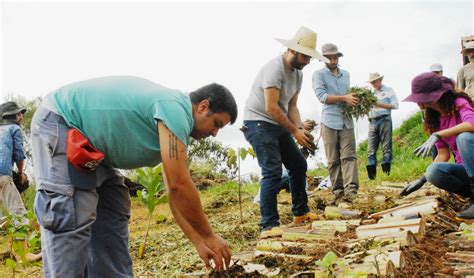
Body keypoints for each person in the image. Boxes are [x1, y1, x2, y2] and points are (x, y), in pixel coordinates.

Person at [30, 76, 237, 276]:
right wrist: (210, 235)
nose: (214, 133)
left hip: (96, 149)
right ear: (202, 106)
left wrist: (199, 242)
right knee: (70, 215)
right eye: (217, 124)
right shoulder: (176, 109)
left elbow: (173, 194)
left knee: (112, 208)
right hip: (63, 123)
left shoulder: (176, 127)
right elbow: (179, 186)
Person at [242, 26, 326, 239]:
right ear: (293, 51)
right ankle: (268, 225)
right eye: (305, 57)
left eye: (310, 58)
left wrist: (299, 130)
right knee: (272, 171)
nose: (307, 62)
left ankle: (300, 212)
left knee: (298, 164)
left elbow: (292, 106)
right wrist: (293, 131)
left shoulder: (298, 74)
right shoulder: (274, 69)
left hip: (278, 123)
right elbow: (271, 107)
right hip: (258, 122)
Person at [400, 72, 474, 220]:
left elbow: (471, 124)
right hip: (467, 170)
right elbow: (443, 154)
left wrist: (439, 134)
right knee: (433, 171)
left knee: (464, 137)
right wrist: (422, 180)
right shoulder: (434, 119)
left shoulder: (458, 102)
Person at [312, 43, 359, 204]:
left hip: (346, 120)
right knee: (333, 159)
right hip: (329, 121)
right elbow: (322, 97)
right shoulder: (318, 75)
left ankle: (351, 191)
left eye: (335, 57)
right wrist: (344, 98)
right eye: (329, 57)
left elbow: (349, 96)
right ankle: (338, 192)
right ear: (323, 59)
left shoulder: (346, 74)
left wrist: (354, 100)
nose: (333, 60)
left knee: (349, 156)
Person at [366, 73, 399, 179]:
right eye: (372, 82)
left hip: (384, 119)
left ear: (380, 80)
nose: (373, 84)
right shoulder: (369, 93)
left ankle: (386, 175)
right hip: (372, 121)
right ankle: (372, 178)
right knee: (371, 150)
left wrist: (379, 104)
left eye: (375, 81)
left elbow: (395, 105)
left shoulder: (388, 90)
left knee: (386, 148)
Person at [0, 101, 28, 219]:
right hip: (2, 174)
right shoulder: (14, 129)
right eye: (19, 114)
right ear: (13, 116)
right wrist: (20, 173)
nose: (21, 117)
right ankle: (24, 236)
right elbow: (19, 155)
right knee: (19, 214)